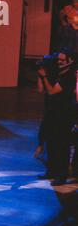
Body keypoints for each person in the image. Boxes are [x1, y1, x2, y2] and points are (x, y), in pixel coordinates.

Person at [35, 49, 77, 186]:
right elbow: (41, 90)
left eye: (62, 61)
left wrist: (45, 77)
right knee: (52, 144)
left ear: (70, 61)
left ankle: (61, 176)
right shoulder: (57, 73)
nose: (59, 63)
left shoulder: (69, 77)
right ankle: (51, 171)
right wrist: (41, 76)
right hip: (52, 113)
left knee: (62, 146)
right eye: (58, 60)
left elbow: (52, 92)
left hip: (64, 115)